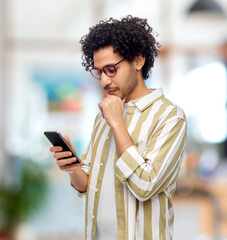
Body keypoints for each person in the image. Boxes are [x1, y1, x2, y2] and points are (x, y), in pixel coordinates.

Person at [50, 15, 187, 240]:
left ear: (138, 60)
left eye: (111, 69)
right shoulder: (102, 116)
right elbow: (86, 186)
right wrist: (73, 167)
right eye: (99, 71)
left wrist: (117, 122)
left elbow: (145, 185)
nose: (104, 81)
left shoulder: (170, 116)